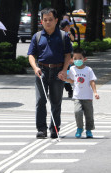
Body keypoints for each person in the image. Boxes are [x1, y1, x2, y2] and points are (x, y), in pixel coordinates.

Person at [27, 8, 72, 139]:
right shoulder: (37, 36)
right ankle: (41, 129)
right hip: (42, 71)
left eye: (50, 20)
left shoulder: (63, 36)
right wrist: (35, 68)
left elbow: (68, 55)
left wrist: (64, 70)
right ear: (41, 21)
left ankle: (55, 129)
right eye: (45, 20)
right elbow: (31, 55)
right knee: (41, 100)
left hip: (58, 71)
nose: (47, 22)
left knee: (56, 101)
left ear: (56, 20)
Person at [63, 48, 100, 138]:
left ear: (84, 59)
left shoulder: (88, 70)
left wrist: (95, 92)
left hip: (87, 96)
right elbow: (72, 80)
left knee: (89, 114)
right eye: (75, 58)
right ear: (72, 60)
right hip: (77, 96)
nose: (77, 60)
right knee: (77, 111)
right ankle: (79, 128)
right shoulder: (72, 69)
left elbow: (92, 81)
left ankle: (89, 130)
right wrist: (65, 79)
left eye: (79, 58)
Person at [60, 19, 74, 98]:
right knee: (65, 75)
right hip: (64, 59)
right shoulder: (64, 35)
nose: (70, 27)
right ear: (65, 27)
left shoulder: (64, 34)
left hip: (62, 59)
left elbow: (73, 39)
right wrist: (69, 59)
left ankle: (69, 91)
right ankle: (69, 91)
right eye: (69, 26)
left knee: (65, 75)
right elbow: (68, 50)